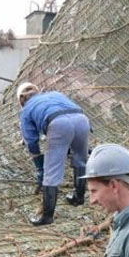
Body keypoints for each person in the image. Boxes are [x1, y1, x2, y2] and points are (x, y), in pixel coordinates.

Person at [16, 82, 91, 225]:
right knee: (81, 160)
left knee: (52, 171)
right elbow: (72, 109)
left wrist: (39, 166)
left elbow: (31, 141)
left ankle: (47, 217)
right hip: (82, 120)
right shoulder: (55, 94)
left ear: (21, 100)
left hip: (58, 124)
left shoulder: (26, 110)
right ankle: (78, 197)